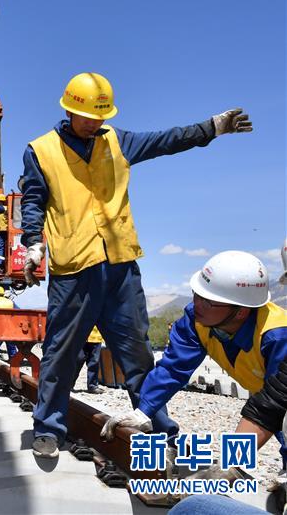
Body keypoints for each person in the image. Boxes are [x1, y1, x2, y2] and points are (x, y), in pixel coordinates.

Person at [21, 71, 252, 458]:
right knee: (61, 351)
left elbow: (166, 140)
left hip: (121, 268)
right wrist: (32, 242)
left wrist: (212, 128)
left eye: (101, 116)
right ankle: (48, 428)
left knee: (138, 353)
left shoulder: (117, 141)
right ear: (70, 110)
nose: (95, 123)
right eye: (89, 116)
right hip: (73, 270)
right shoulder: (41, 150)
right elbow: (33, 199)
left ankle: (159, 430)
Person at [101, 251, 287, 470]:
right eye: (196, 294)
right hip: (269, 399)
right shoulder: (196, 321)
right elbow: (173, 369)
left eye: (207, 301)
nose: (196, 303)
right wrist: (143, 411)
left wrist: (231, 464)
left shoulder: (277, 337)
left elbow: (274, 404)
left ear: (241, 312)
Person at [0, 287, 18, 359]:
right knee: (12, 348)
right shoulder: (11, 302)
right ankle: (14, 363)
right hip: (10, 329)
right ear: (3, 294)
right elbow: (19, 312)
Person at [73, 327, 104, 394]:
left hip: (96, 337)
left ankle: (92, 386)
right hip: (80, 336)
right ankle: (69, 384)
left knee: (94, 362)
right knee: (78, 360)